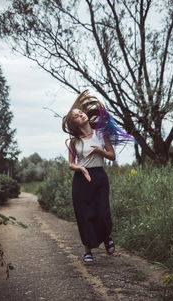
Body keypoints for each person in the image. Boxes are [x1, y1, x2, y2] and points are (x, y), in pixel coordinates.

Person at [62, 90, 117, 264]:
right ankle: (88, 251)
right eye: (77, 116)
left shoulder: (101, 133)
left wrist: (101, 151)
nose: (81, 115)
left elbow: (112, 156)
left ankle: (107, 237)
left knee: (102, 211)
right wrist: (79, 168)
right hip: (81, 179)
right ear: (74, 123)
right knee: (84, 215)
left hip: (99, 176)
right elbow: (71, 164)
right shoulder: (74, 141)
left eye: (81, 112)